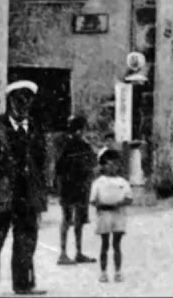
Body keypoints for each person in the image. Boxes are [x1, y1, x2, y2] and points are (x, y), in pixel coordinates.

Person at [0, 80, 49, 296]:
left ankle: (23, 284)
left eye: (27, 100)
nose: (23, 104)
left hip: (27, 194)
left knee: (26, 241)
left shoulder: (36, 128)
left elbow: (44, 161)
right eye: (18, 99)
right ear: (10, 101)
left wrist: (41, 187)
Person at [55, 116, 96, 266]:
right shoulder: (66, 144)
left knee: (79, 220)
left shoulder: (83, 145)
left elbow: (92, 162)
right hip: (70, 186)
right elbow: (59, 168)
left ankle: (78, 252)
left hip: (79, 186)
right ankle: (63, 253)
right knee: (68, 219)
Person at [89, 149, 132, 283]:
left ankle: (118, 272)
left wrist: (120, 203)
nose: (112, 167)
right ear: (104, 165)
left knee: (117, 244)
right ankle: (103, 272)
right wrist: (101, 205)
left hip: (118, 215)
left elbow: (129, 198)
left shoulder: (123, 182)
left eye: (115, 164)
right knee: (105, 244)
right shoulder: (98, 182)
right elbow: (93, 200)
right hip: (104, 215)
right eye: (109, 164)